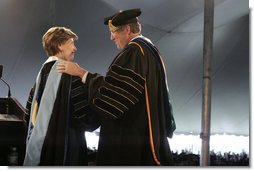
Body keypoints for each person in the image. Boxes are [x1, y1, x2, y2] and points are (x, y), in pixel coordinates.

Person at [57, 8, 176, 166]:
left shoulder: (134, 51)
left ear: (127, 30)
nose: (112, 37)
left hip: (131, 138)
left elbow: (113, 98)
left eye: (114, 32)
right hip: (146, 133)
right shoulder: (149, 49)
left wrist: (81, 73)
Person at [23, 26, 100, 166]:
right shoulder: (69, 73)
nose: (75, 48)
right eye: (71, 43)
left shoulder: (41, 74)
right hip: (67, 149)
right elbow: (85, 117)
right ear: (60, 45)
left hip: (41, 150)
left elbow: (28, 115)